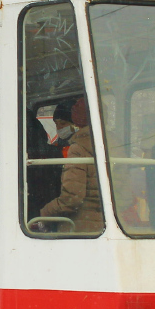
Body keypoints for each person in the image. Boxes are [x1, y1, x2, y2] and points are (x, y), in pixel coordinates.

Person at [36, 98, 103, 234]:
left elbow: (72, 198)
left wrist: (44, 213)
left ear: (76, 123)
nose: (59, 128)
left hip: (79, 225)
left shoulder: (77, 149)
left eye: (63, 123)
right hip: (102, 223)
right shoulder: (112, 145)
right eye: (56, 124)